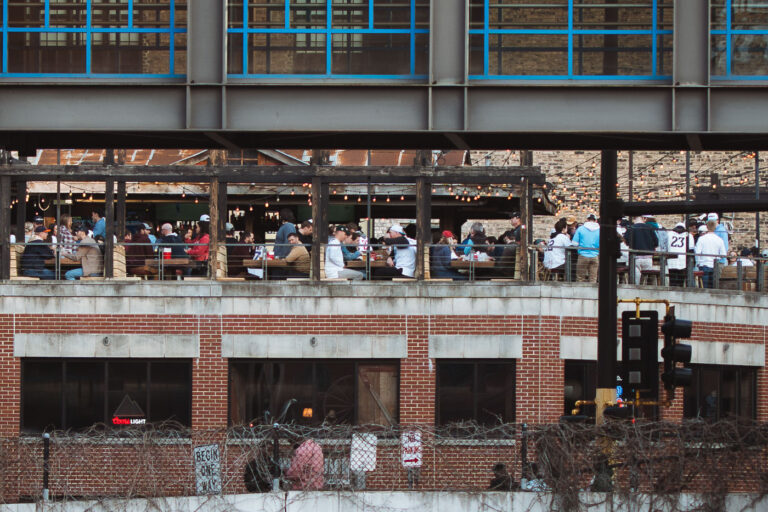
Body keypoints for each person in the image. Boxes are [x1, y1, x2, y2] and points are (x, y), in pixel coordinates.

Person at [626, 215, 658, 284]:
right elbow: (656, 242)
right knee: (646, 280)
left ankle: (636, 290)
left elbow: (627, 241)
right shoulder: (650, 228)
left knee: (635, 280)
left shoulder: (631, 228)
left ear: (634, 219)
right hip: (648, 257)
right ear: (644, 218)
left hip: (635, 257)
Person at [695, 220, 727, 289]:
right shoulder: (719, 240)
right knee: (713, 287)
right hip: (715, 265)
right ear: (715, 227)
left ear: (706, 227)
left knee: (704, 286)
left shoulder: (701, 239)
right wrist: (717, 257)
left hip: (704, 264)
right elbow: (723, 254)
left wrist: (698, 263)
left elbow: (697, 253)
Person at [572, 213, 600, 283]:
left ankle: (580, 290)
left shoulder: (581, 229)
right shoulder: (600, 230)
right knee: (593, 278)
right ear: (596, 220)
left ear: (587, 220)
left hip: (583, 255)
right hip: (595, 255)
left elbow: (574, 243)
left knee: (580, 278)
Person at [667, 222, 694, 287]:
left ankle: (672, 291)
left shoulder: (669, 234)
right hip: (683, 260)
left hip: (672, 259)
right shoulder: (688, 235)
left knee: (672, 279)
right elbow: (691, 249)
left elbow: (665, 246)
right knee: (681, 280)